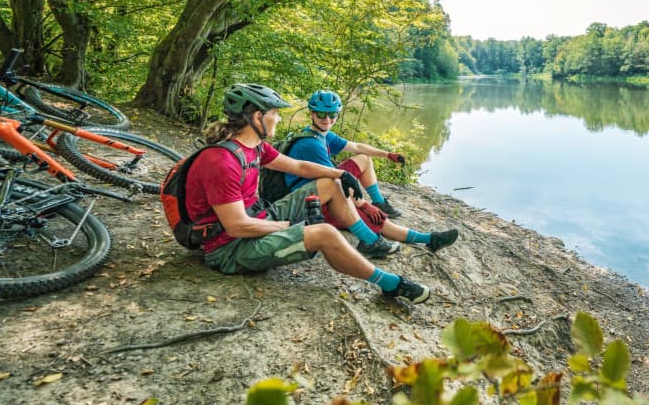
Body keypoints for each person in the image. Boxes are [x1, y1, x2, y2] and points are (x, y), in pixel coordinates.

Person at [185, 83, 430, 303]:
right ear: (258, 116)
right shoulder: (222, 162)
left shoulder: (255, 147)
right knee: (325, 233)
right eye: (275, 113)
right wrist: (287, 226)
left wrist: (341, 175)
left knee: (328, 183)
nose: (278, 119)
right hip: (229, 249)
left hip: (256, 220)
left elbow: (299, 167)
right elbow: (236, 227)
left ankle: (370, 241)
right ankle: (391, 284)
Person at [285, 89, 458, 255]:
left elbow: (358, 147)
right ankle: (428, 239)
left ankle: (380, 202)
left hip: (320, 189)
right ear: (312, 114)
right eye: (321, 114)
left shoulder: (321, 135)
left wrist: (387, 154)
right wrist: (364, 206)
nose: (327, 119)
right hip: (313, 202)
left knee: (363, 157)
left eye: (332, 115)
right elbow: (336, 184)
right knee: (378, 220)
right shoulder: (312, 144)